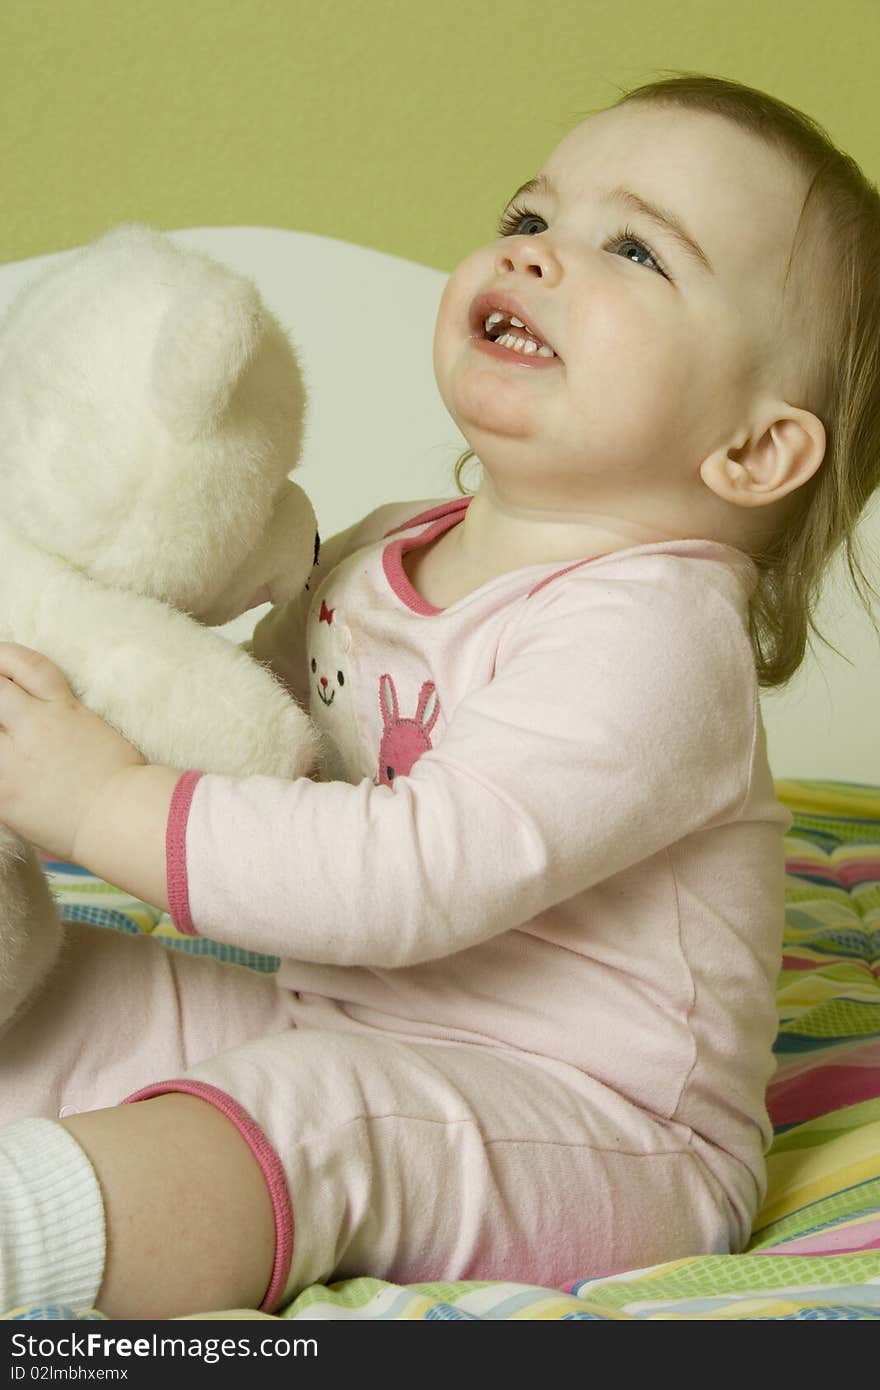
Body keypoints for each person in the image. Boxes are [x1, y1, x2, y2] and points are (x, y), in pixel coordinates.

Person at [0, 73, 878, 1322]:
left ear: (751, 449)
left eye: (631, 247)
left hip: (598, 1127)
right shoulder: (386, 544)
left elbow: (414, 874)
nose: (536, 258)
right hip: (335, 1020)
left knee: (314, 1125)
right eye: (530, 219)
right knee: (63, 998)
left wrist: (104, 804)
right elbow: (251, 741)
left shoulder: (658, 634)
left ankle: (30, 1241)